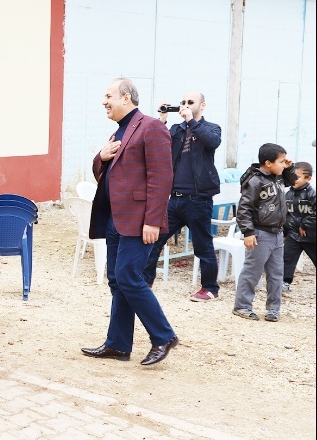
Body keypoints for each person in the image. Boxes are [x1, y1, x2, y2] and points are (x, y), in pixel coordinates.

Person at [81, 78, 179, 367]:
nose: (104, 101)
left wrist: (153, 221)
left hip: (139, 221)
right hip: (115, 218)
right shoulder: (118, 131)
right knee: (117, 280)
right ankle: (118, 344)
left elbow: (162, 178)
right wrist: (101, 157)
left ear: (126, 98)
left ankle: (163, 336)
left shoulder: (152, 127)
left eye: (109, 95)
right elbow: (105, 173)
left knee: (128, 277)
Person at [142, 92, 223, 302]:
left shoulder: (211, 128)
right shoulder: (176, 129)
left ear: (202, 105)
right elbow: (158, 145)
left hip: (198, 199)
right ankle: (145, 282)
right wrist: (161, 120)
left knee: (203, 245)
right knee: (155, 240)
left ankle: (210, 288)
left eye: (190, 102)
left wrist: (191, 122)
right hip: (174, 199)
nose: (185, 105)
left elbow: (213, 142)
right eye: (183, 102)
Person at [233, 144, 297, 322]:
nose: (284, 164)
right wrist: (248, 232)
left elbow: (292, 181)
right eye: (281, 162)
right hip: (260, 233)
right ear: (268, 163)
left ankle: (273, 309)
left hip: (277, 234)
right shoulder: (255, 181)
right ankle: (242, 306)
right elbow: (244, 208)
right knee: (252, 271)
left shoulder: (279, 177)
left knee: (276, 273)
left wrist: (289, 168)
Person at [283, 162, 316, 292]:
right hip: (293, 235)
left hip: (311, 236)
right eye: (292, 176)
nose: (294, 180)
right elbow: (285, 215)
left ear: (308, 178)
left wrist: (305, 224)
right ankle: (284, 283)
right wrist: (284, 233)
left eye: (297, 177)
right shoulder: (288, 194)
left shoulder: (312, 194)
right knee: (287, 259)